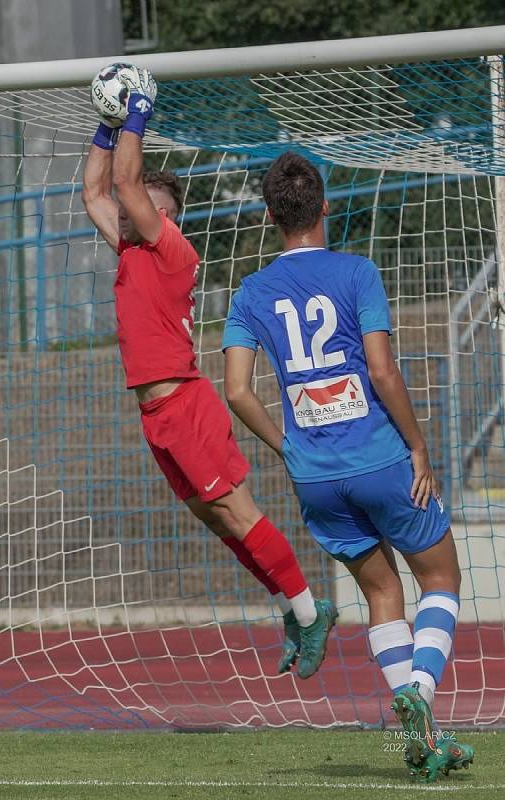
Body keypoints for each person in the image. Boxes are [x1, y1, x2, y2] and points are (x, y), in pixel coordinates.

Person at [222, 151, 474, 781]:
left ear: (270, 215)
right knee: (441, 580)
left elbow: (235, 392)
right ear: (326, 206)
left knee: (381, 592)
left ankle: (424, 740)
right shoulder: (357, 272)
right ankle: (419, 687)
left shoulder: (252, 292)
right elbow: (382, 370)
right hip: (380, 459)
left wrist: (288, 448)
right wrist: (418, 446)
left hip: (315, 477)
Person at [81, 74, 338, 681]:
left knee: (240, 513)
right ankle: (290, 608)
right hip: (155, 415)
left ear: (161, 214)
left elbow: (119, 181)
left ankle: (313, 609)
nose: (120, 207)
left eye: (137, 202)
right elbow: (94, 189)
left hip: (186, 404)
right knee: (219, 522)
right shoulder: (129, 249)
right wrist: (107, 123)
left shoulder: (172, 250)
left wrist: (138, 110)